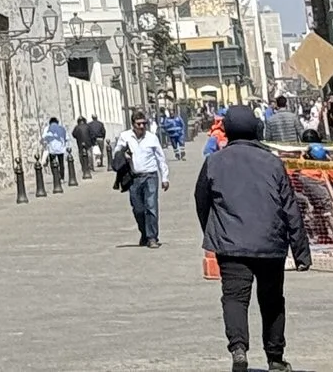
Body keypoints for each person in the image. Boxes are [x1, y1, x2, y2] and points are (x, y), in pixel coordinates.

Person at [195, 104, 312, 372]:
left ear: (226, 130)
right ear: (257, 129)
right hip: (270, 243)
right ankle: (275, 357)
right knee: (272, 300)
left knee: (235, 298)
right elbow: (290, 208)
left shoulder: (213, 162)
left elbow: (201, 200)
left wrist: (214, 231)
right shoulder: (272, 162)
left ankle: (238, 349)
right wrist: (301, 252)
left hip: (230, 245)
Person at [120, 111, 171, 247]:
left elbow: (160, 158)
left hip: (150, 176)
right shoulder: (125, 137)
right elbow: (116, 153)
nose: (142, 126)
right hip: (134, 177)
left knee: (151, 206)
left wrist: (164, 178)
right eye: (139, 124)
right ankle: (144, 233)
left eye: (144, 123)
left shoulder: (152, 138)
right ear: (133, 125)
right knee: (138, 209)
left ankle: (152, 237)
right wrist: (123, 154)